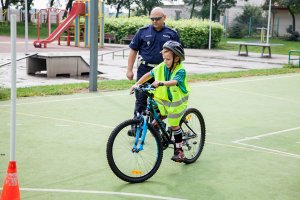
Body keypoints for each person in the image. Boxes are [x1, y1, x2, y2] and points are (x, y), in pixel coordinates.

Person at [130, 41, 191, 162]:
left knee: (174, 124)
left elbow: (174, 82)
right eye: (164, 58)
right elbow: (149, 74)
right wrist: (136, 84)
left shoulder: (180, 70)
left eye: (168, 59)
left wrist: (160, 83)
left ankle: (179, 151)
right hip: (164, 101)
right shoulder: (162, 66)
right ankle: (163, 132)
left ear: (176, 58)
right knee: (155, 120)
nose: (165, 61)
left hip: (177, 103)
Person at [127, 7, 180, 126]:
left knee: (159, 101)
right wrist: (129, 70)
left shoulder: (172, 34)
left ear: (164, 18)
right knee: (140, 99)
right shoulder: (142, 32)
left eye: (157, 18)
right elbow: (133, 51)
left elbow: (178, 56)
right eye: (152, 19)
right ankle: (137, 127)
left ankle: (155, 127)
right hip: (145, 69)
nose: (154, 21)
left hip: (163, 72)